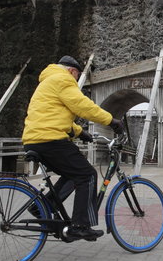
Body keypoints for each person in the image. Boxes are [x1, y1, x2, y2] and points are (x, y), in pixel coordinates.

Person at [22, 55, 124, 241]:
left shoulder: (47, 82)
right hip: (51, 140)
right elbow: (83, 106)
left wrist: (79, 132)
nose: (76, 81)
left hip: (34, 139)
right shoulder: (63, 79)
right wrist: (111, 121)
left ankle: (42, 207)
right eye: (76, 77)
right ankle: (80, 225)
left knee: (72, 174)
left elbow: (53, 115)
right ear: (72, 71)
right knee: (87, 175)